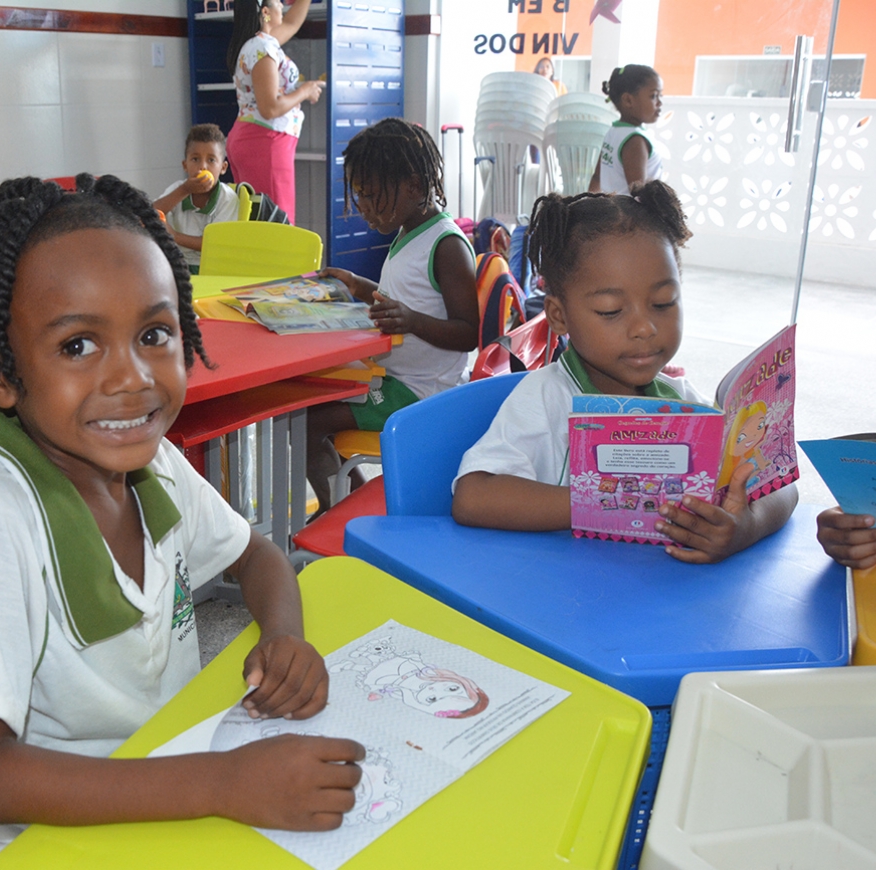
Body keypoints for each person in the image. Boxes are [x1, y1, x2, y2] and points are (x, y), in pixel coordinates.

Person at [0, 173, 364, 862]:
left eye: (154, 333)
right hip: (62, 836)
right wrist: (220, 783)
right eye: (78, 345)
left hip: (175, 774)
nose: (132, 377)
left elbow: (258, 557)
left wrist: (284, 637)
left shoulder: (156, 467)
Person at [452, 182, 798, 564]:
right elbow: (473, 496)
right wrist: (612, 502)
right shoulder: (547, 398)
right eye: (611, 311)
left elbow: (782, 485)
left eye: (663, 303)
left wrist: (745, 527)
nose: (644, 328)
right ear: (559, 316)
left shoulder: (683, 402)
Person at [306, 118, 479, 514]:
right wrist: (358, 285)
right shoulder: (409, 231)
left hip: (418, 391)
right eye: (359, 194)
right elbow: (401, 298)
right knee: (308, 395)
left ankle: (339, 510)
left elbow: (468, 333)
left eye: (371, 195)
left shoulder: (447, 246)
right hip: (393, 376)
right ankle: (350, 502)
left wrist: (411, 321)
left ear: (413, 187)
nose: (362, 206)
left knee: (309, 421)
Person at [225, 0, 325, 222]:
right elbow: (270, 107)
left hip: (256, 139)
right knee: (276, 224)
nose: (282, 5)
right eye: (278, 2)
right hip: (265, 141)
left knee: (257, 220)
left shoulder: (259, 43)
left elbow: (292, 23)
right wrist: (305, 91)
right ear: (266, 12)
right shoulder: (262, 48)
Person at [153, 123, 241, 271]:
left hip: (214, 268)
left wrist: (175, 236)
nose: (203, 166)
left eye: (211, 160)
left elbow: (217, 244)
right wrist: (184, 190)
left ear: (223, 167)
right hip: (176, 264)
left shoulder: (228, 199)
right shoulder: (178, 189)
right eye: (195, 159)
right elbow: (148, 213)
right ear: (185, 165)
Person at [591, 64, 664, 195]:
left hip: (613, 207)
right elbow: (639, 195)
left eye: (660, 96)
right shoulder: (635, 141)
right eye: (653, 96)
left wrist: (586, 203)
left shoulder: (614, 132)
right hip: (631, 209)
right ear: (628, 100)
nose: (659, 103)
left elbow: (597, 178)